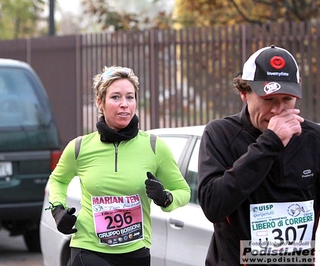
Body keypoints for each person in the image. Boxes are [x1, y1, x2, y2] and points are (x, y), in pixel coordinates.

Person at [46, 66, 191, 266]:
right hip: (89, 248)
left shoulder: (154, 146)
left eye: (130, 97)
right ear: (100, 102)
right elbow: (57, 180)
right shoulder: (79, 147)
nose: (124, 104)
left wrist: (165, 198)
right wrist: (57, 210)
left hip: (135, 251)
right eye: (115, 97)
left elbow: (183, 191)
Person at [198, 45, 320, 265]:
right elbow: (213, 205)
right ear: (245, 93)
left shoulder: (313, 138)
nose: (278, 109)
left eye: (287, 99)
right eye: (268, 99)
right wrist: (271, 141)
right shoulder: (221, 134)